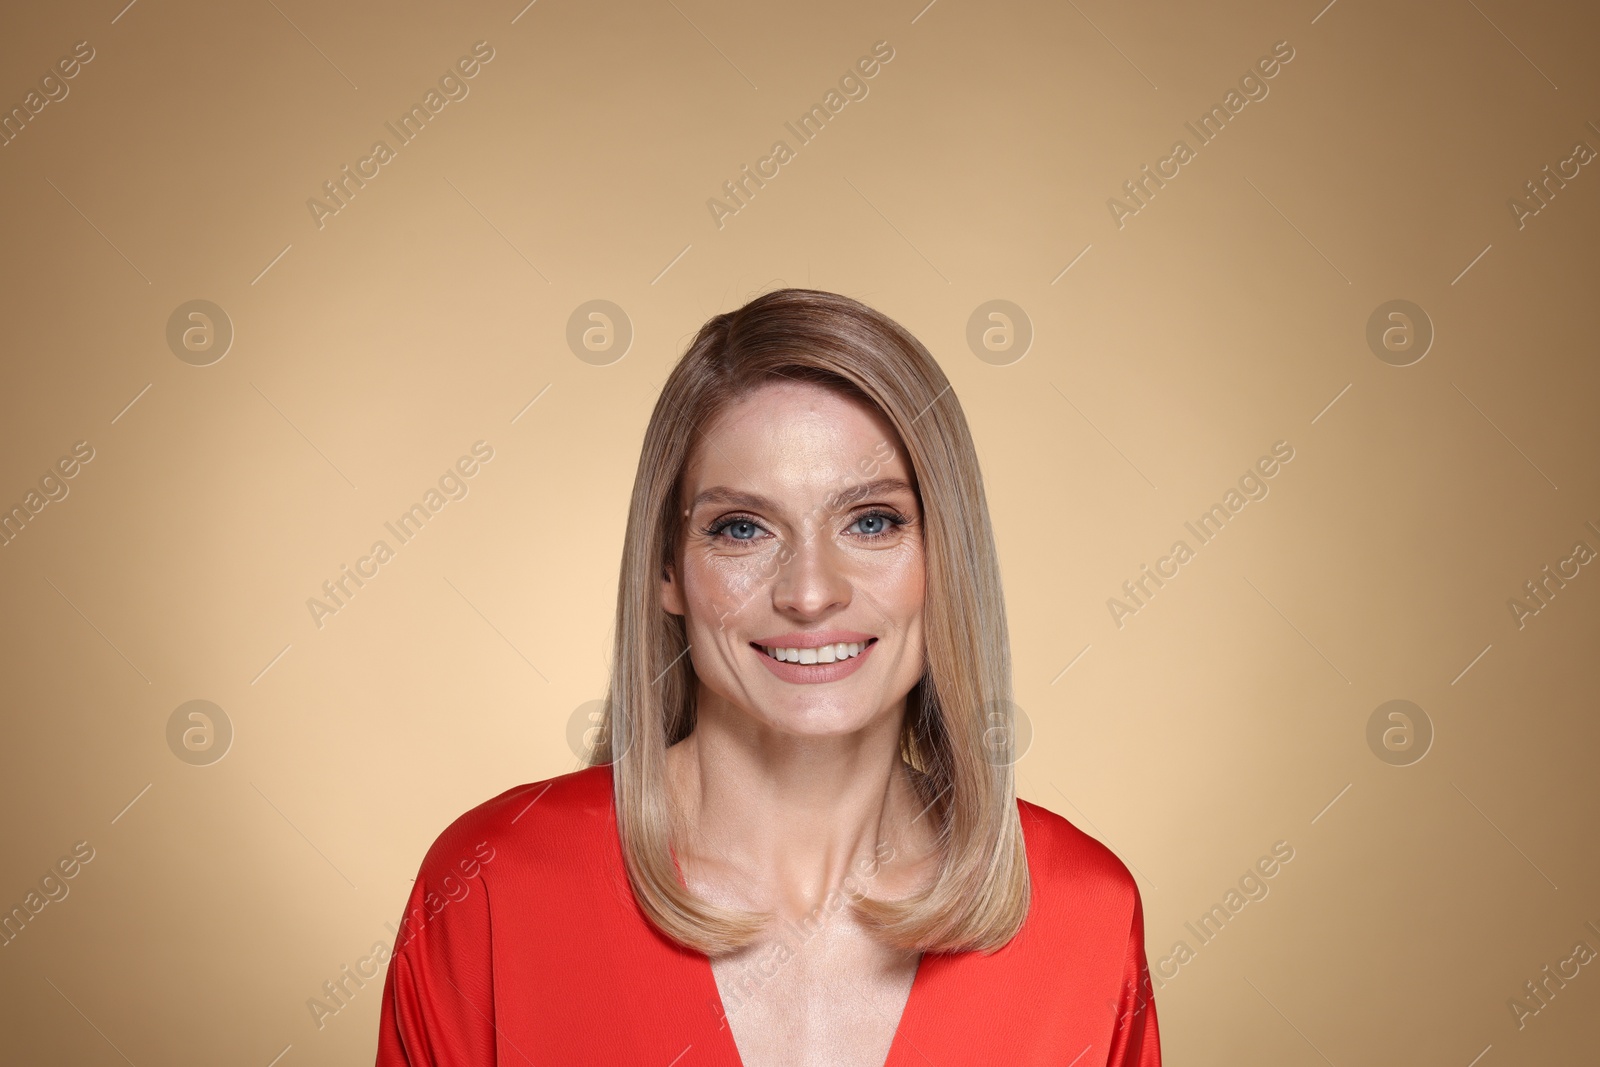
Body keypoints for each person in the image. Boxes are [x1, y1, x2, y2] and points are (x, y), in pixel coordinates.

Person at [372, 288, 1161, 1065]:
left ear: (945, 557)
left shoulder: (1082, 915)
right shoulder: (493, 891)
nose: (810, 591)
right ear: (667, 571)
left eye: (873, 520)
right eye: (742, 528)